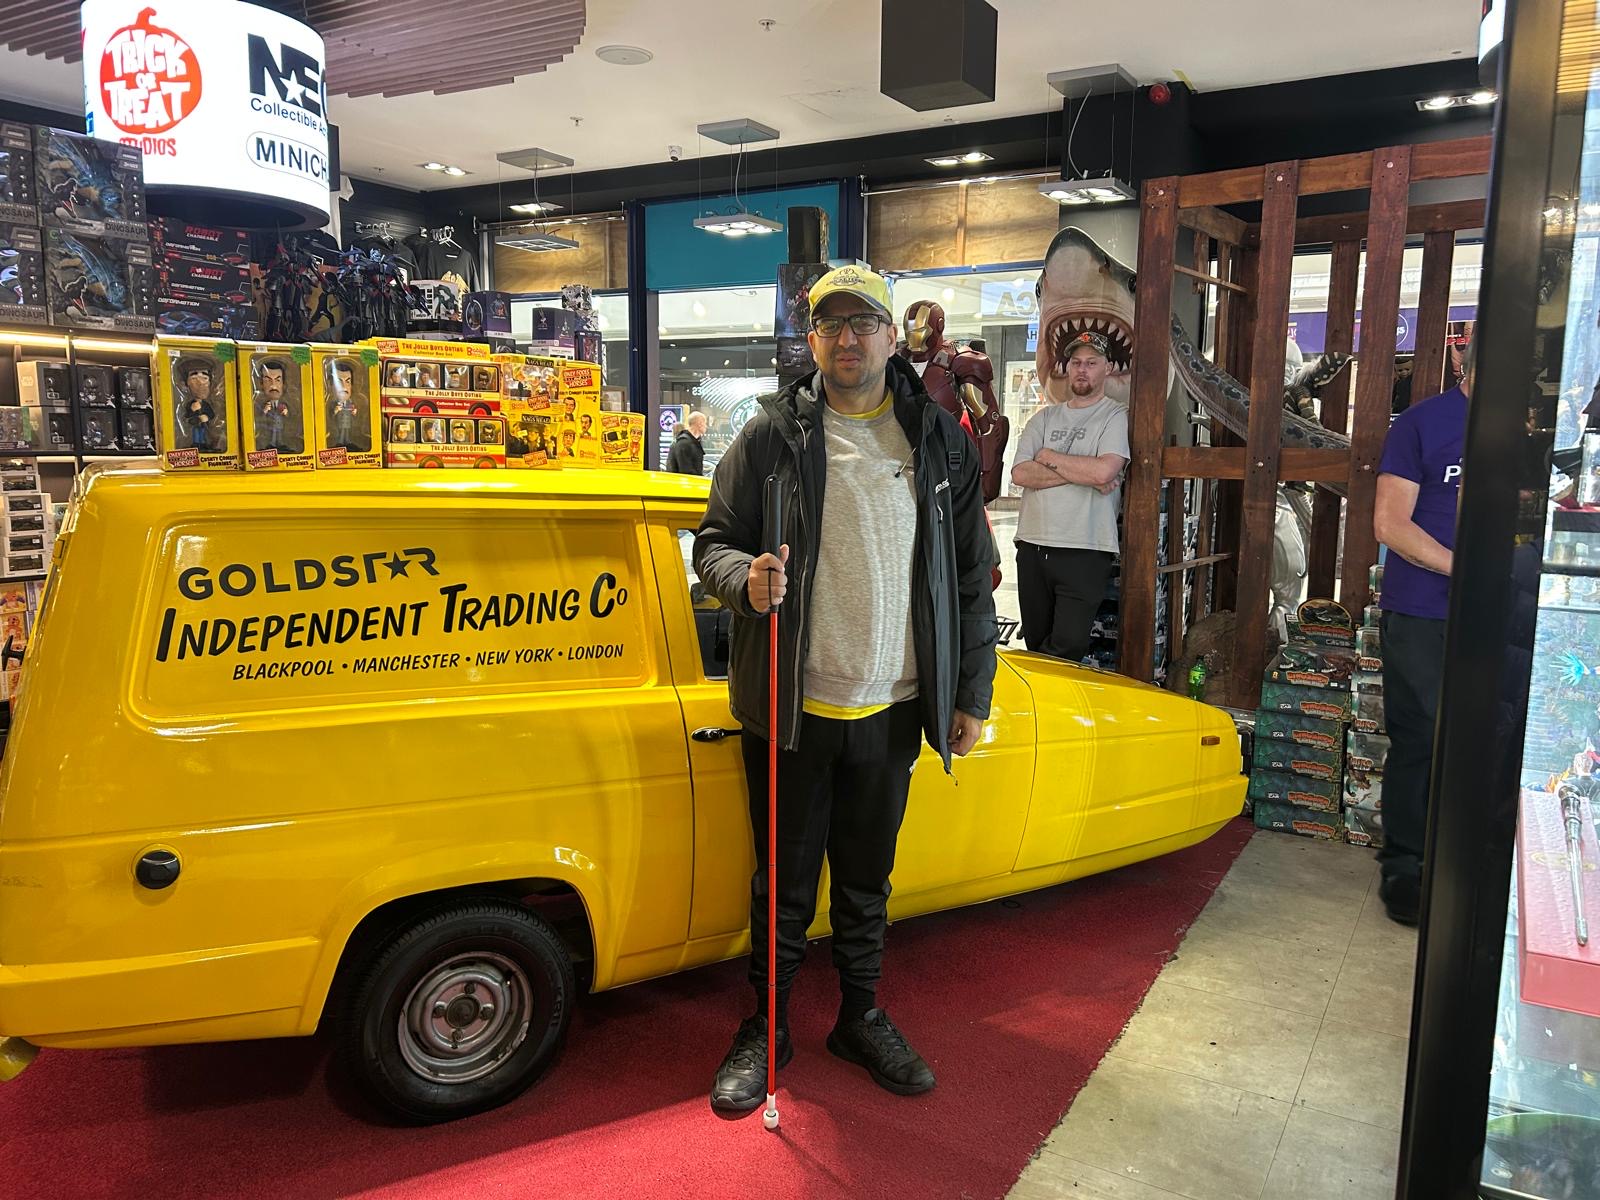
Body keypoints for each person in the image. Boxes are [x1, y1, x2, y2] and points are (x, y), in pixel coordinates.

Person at [693, 264, 997, 1118]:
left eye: (863, 324)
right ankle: (769, 1026)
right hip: (792, 708)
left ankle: (859, 1015)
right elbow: (712, 543)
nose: (847, 339)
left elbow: (973, 577)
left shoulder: (937, 440)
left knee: (868, 879)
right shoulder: (770, 436)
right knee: (781, 885)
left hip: (895, 705)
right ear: (814, 340)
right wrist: (739, 579)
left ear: (891, 337)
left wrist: (969, 692)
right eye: (830, 325)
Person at [1371, 338, 1471, 926]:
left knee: (1487, 740)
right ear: (1463, 361)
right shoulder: (1422, 423)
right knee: (1423, 738)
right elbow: (1390, 522)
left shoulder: (1534, 430)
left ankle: (1466, 864)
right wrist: (1469, 569)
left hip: (1505, 614)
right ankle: (1405, 865)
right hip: (1422, 611)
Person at [1008, 332, 1130, 662]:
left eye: (1091, 363)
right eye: (1076, 363)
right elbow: (1019, 474)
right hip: (1032, 546)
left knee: (1067, 649)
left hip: (1085, 549)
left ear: (1108, 368)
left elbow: (1104, 473)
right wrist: (1082, 474)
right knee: (1036, 645)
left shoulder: (1115, 415)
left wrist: (1048, 456)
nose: (1082, 370)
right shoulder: (1043, 418)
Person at [665, 411, 708, 476]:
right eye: (705, 423)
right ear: (700, 424)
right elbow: (686, 471)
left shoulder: (690, 442)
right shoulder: (684, 443)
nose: (706, 426)